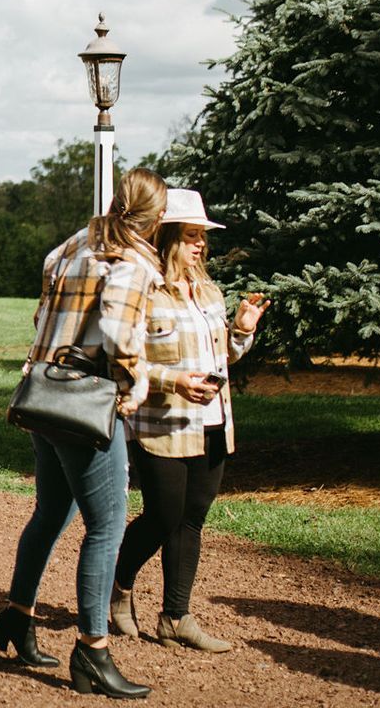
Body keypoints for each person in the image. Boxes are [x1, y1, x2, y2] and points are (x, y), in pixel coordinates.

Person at [0, 167, 166, 700]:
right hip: (86, 404)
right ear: (155, 218)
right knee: (107, 526)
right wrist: (133, 381)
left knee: (52, 511)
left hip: (43, 392)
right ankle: (92, 650)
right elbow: (117, 332)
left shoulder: (73, 244)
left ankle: (18, 617)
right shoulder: (132, 261)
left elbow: (46, 307)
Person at [111, 188, 267, 653]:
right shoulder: (144, 291)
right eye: (192, 235)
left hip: (214, 421)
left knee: (191, 520)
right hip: (163, 423)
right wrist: (173, 381)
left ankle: (175, 617)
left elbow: (224, 359)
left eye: (203, 236)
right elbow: (125, 362)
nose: (201, 244)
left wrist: (242, 328)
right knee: (163, 516)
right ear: (168, 237)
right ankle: (117, 587)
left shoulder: (210, 291)